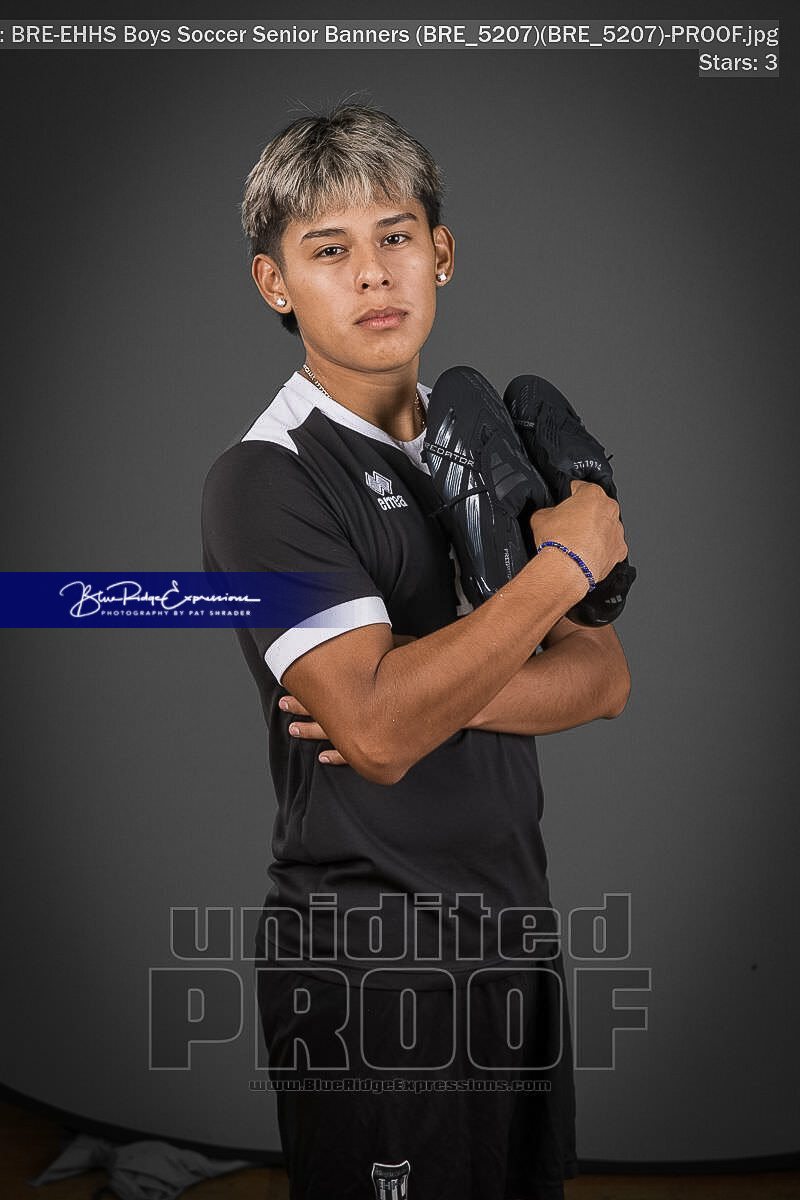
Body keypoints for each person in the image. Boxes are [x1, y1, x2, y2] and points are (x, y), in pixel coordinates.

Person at [201, 101, 631, 1200]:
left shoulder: (482, 442)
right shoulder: (265, 477)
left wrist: (409, 688)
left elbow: (602, 679)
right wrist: (559, 569)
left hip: (515, 935)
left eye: (394, 236)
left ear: (439, 253)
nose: (372, 273)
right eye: (328, 250)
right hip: (372, 966)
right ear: (274, 283)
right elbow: (381, 740)